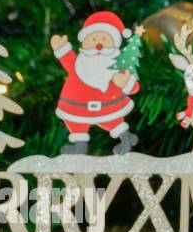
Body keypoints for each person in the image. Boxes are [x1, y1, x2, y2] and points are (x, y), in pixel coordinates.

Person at [50, 10, 141, 155]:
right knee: (75, 122)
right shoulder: (80, 63)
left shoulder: (117, 66)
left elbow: (134, 87)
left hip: (108, 104)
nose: (98, 45)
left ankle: (126, 138)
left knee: (113, 120)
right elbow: (69, 62)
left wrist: (125, 83)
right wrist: (61, 49)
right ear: (84, 41)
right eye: (93, 40)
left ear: (115, 43)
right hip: (77, 104)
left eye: (104, 39)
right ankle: (80, 147)